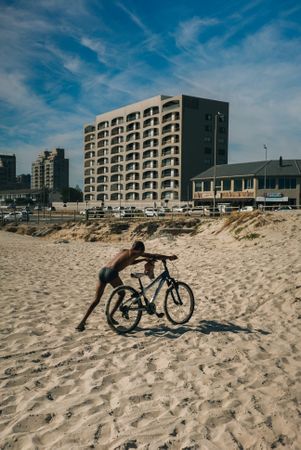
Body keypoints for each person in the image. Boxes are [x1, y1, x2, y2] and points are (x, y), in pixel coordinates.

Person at [76, 240, 177, 331]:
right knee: (122, 294)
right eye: (141, 252)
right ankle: (110, 316)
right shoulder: (135, 253)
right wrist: (169, 257)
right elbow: (153, 255)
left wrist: (142, 260)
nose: (141, 254)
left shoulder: (125, 251)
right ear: (138, 250)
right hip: (111, 273)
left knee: (96, 300)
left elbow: (129, 262)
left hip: (102, 271)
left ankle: (82, 322)